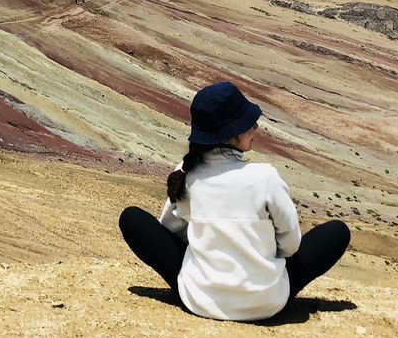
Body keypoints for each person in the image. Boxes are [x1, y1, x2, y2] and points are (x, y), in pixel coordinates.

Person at [119, 81, 350, 322]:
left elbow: (170, 230)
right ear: (230, 134)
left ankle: (209, 288)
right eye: (249, 124)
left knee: (132, 219)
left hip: (199, 300)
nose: (256, 127)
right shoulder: (265, 177)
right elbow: (291, 245)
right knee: (336, 233)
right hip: (268, 304)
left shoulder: (188, 174)